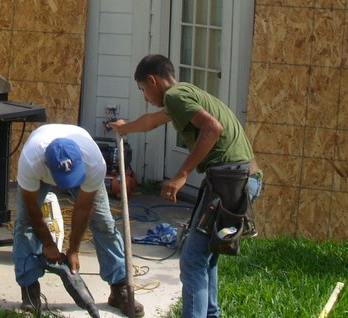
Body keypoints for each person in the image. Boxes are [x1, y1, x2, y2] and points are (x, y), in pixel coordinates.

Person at [110, 54, 261, 318]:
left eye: (143, 90)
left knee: (191, 260)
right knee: (207, 253)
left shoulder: (175, 97)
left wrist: (181, 175)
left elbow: (212, 129)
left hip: (231, 180)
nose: (144, 97)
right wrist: (126, 127)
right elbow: (152, 120)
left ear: (153, 80)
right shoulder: (184, 94)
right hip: (244, 178)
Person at [13, 123, 143, 316]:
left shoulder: (94, 162)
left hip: (85, 169)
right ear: (47, 165)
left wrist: (73, 249)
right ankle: (30, 293)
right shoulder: (31, 161)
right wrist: (48, 243)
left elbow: (83, 209)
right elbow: (32, 208)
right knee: (24, 225)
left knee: (104, 223)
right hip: (39, 170)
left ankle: (119, 288)